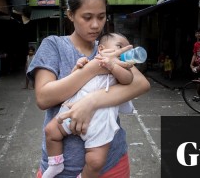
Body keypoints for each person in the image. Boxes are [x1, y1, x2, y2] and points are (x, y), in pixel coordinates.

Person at [27, 0, 150, 178]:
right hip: (63, 169)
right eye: (87, 17)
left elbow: (141, 83)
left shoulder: (108, 46)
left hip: (111, 162)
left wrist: (90, 102)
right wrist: (93, 68)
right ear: (70, 15)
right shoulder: (54, 45)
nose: (95, 25)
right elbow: (44, 97)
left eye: (101, 17)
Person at [42, 33, 134, 178]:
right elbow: (72, 82)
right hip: (73, 110)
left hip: (100, 122)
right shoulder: (89, 62)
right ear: (101, 49)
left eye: (127, 50)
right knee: (51, 131)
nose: (123, 52)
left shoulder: (122, 68)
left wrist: (113, 66)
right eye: (119, 47)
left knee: (96, 161)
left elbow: (128, 80)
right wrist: (78, 68)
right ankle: (55, 163)